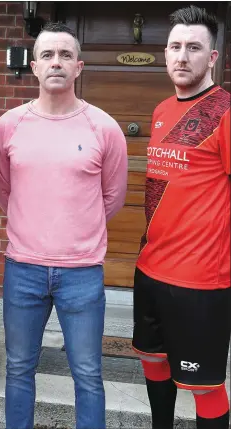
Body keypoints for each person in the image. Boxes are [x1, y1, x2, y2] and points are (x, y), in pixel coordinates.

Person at [0, 21, 127, 429]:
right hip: (23, 270)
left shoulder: (103, 127)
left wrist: (76, 231)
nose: (56, 62)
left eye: (65, 55)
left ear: (79, 66)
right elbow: (4, 191)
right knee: (18, 369)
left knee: (87, 374)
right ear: (34, 66)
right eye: (47, 55)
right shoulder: (8, 126)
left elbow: (113, 197)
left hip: (82, 273)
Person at [132, 5, 230, 429]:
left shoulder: (225, 111)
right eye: (175, 46)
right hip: (150, 269)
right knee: (153, 363)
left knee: (205, 386)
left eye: (194, 47)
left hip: (201, 281)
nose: (182, 56)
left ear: (212, 57)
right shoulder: (160, 111)